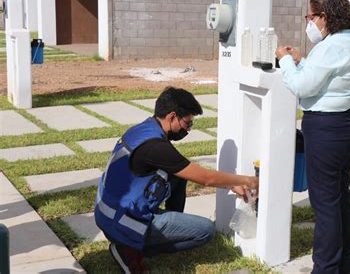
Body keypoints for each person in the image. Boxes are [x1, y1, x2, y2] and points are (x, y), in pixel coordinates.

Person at [94, 87, 259, 273]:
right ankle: (128, 250)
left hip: (108, 213)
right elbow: (206, 178)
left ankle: (156, 232)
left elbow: (186, 171)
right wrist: (249, 181)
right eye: (187, 123)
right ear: (172, 116)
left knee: (178, 176)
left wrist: (230, 183)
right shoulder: (155, 147)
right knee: (205, 230)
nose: (188, 130)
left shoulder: (144, 130)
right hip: (121, 222)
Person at [276, 0, 350, 274]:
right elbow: (330, 74)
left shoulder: (329, 47)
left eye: (311, 17)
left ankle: (325, 268)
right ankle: (343, 264)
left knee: (325, 204)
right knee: (339, 197)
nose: (309, 24)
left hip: (327, 131)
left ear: (325, 17)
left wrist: (284, 61)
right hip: (349, 126)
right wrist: (303, 61)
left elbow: (302, 86)